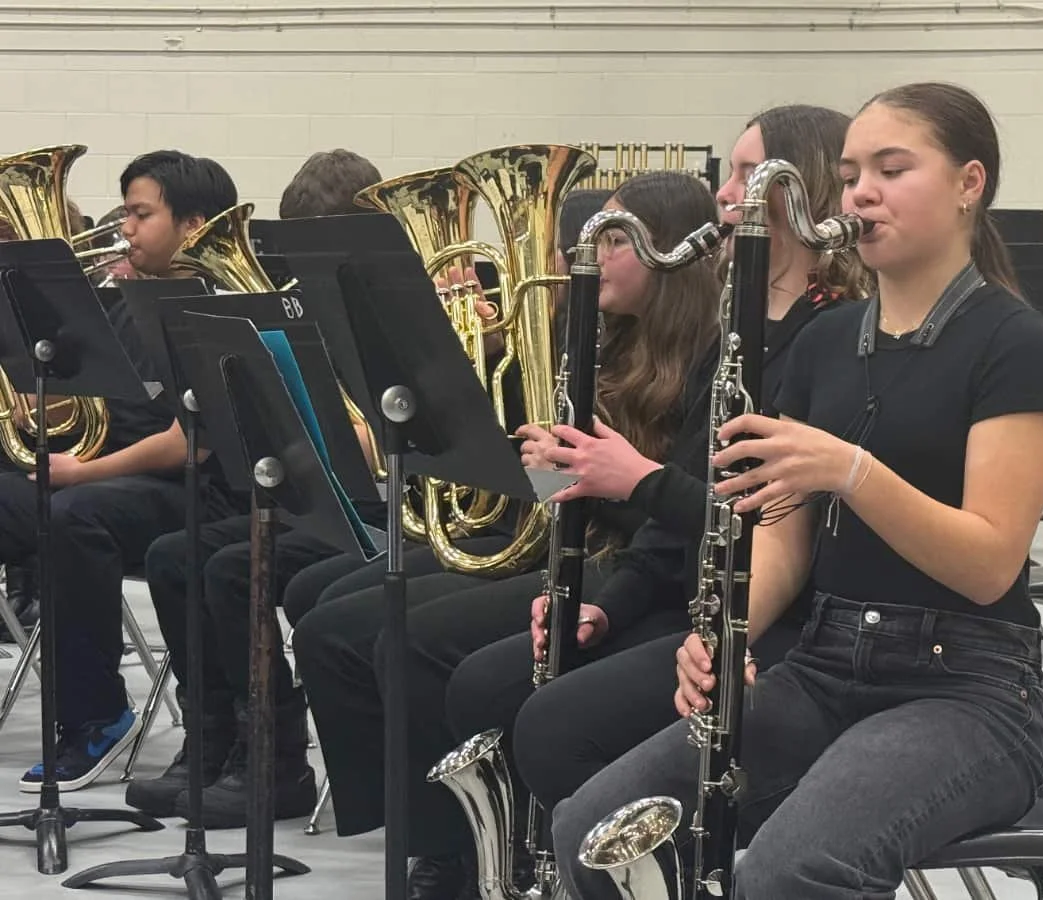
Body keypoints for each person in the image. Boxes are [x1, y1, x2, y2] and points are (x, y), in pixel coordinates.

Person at [551, 81, 1043, 900]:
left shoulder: (1014, 341)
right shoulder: (828, 341)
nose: (861, 191)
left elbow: (989, 565)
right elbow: (785, 535)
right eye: (855, 171)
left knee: (793, 871)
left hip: (967, 689)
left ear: (971, 184)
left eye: (893, 169)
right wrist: (721, 632)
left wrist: (851, 472)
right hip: (827, 661)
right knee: (585, 829)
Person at [293, 170, 723, 900]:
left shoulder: (708, 357)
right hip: (584, 546)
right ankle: (420, 831)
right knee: (333, 618)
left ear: (670, 253)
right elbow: (563, 498)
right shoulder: (595, 338)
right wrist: (544, 469)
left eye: (611, 239)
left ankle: (456, 851)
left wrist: (590, 483)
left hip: (625, 565)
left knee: (411, 640)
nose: (582, 256)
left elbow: (665, 522)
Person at [446, 104, 874, 826]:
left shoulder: (824, 336)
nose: (727, 193)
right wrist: (603, 607)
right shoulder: (733, 331)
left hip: (766, 613)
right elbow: (664, 516)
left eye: (746, 173)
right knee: (481, 680)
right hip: (677, 584)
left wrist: (631, 480)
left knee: (539, 716)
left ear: (801, 190)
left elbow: (755, 522)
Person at [125, 147, 388, 828]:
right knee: (173, 556)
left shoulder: (392, 308)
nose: (308, 267)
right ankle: (213, 743)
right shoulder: (300, 308)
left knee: (234, 568)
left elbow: (382, 445)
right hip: (313, 497)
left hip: (378, 513)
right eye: (296, 248)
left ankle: (277, 763)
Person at [0, 150, 239, 792]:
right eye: (125, 211)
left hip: (197, 490)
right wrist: (32, 393)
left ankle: (95, 716)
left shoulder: (215, 305)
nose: (124, 227)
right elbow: (83, 400)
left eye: (141, 214)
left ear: (193, 226)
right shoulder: (114, 302)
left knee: (73, 516)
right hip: (114, 476)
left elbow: (192, 444)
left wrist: (84, 472)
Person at [278, 187, 614, 626]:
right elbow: (500, 455)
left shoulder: (589, 345)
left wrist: (492, 363)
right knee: (316, 598)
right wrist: (489, 355)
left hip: (554, 540)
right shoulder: (542, 339)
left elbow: (550, 483)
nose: (543, 265)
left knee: (343, 622)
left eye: (552, 250)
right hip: (504, 522)